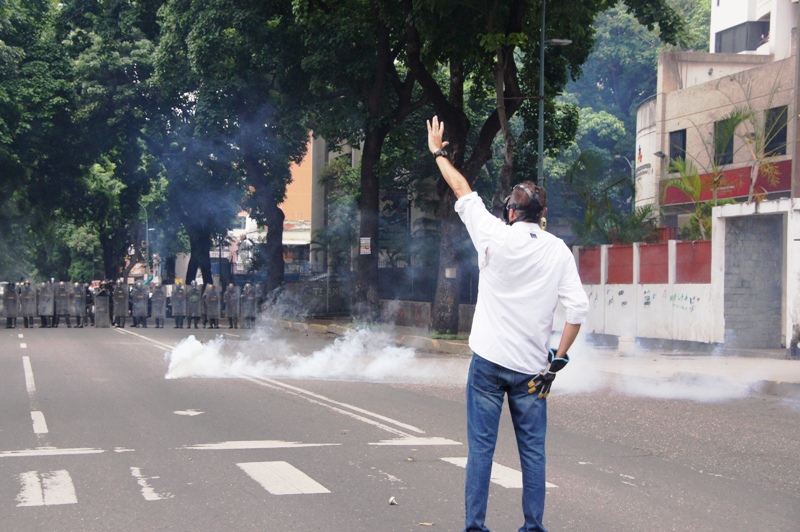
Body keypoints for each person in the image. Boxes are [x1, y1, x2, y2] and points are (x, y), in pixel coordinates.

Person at [427, 116, 588, 532]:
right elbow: (578, 311)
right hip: (533, 370)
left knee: (481, 450)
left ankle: (475, 527)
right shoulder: (559, 251)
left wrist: (438, 152)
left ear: (511, 211)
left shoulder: (493, 235)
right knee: (533, 453)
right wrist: (559, 361)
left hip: (487, 363)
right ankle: (533, 527)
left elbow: (461, 189)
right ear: (544, 214)